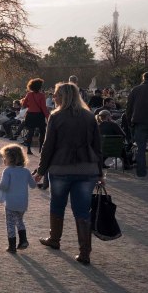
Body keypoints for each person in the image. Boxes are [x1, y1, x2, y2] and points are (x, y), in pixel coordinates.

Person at [35, 82, 103, 265]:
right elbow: (97, 147)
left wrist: (41, 170)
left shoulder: (56, 117)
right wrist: (100, 172)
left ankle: (55, 239)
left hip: (61, 168)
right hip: (87, 168)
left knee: (57, 205)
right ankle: (85, 252)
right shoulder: (90, 116)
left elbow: (48, 147)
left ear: (63, 97)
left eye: (56, 94)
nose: (54, 97)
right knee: (82, 210)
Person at [0, 145, 36, 253]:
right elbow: (33, 185)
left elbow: (4, 185)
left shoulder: (8, 171)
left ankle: (12, 246)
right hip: (22, 203)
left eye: (5, 157)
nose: (4, 160)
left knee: (10, 223)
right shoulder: (26, 171)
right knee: (19, 220)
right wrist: (34, 177)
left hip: (11, 203)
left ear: (10, 159)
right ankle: (23, 240)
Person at [20, 78, 49, 156]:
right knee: (42, 132)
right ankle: (40, 149)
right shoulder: (42, 95)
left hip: (30, 115)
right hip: (39, 116)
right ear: (39, 86)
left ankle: (29, 149)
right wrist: (48, 117)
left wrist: (31, 105)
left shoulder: (29, 94)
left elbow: (24, 105)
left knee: (30, 132)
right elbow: (44, 108)